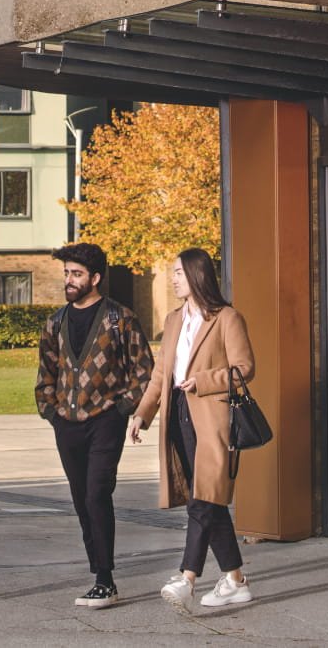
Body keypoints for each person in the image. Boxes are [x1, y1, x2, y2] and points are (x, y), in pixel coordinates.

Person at [131, 248, 256, 613]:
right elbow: (160, 374)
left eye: (178, 273)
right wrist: (142, 414)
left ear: (197, 275)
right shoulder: (172, 321)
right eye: (172, 273)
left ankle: (186, 577)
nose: (172, 279)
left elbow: (244, 368)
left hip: (213, 418)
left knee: (204, 497)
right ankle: (235, 580)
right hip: (178, 415)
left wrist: (202, 380)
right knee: (206, 499)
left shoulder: (227, 319)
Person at [36, 242, 154, 609]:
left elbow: (145, 372)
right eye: (66, 274)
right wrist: (50, 412)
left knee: (96, 494)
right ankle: (98, 571)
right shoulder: (54, 322)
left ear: (95, 278)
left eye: (76, 274)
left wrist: (122, 410)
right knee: (80, 500)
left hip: (106, 420)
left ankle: (105, 580)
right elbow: (46, 374)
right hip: (66, 424)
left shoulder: (121, 318)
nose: (69, 281)